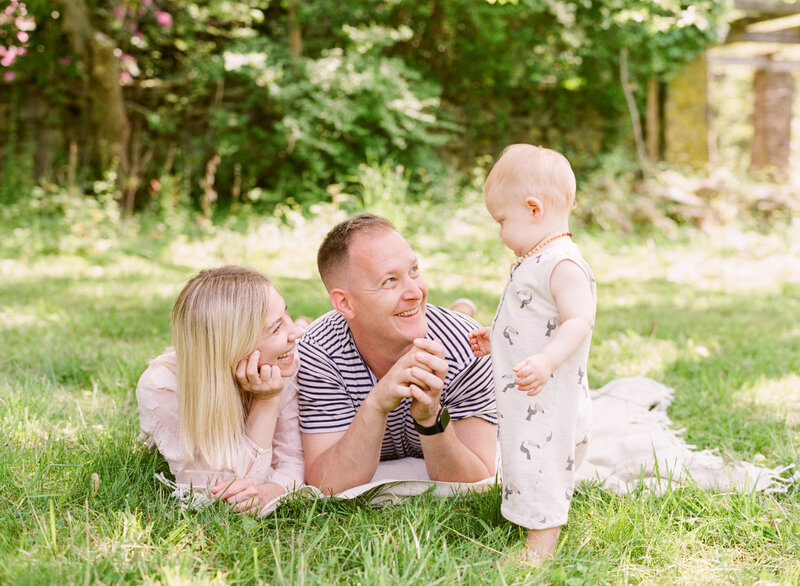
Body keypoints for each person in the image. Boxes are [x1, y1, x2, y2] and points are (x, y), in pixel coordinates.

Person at [296, 214, 498, 495]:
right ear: (345, 303)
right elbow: (327, 484)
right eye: (390, 280)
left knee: (454, 321)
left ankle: (461, 309)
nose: (416, 292)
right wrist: (377, 402)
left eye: (414, 270)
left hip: (454, 335)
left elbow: (478, 481)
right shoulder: (317, 354)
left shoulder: (469, 349)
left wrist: (430, 417)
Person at [468, 144, 596, 563]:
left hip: (549, 395)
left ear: (533, 208)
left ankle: (540, 547)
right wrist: (499, 335)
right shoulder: (537, 258)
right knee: (529, 456)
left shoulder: (563, 263)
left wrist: (545, 361)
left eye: (502, 221)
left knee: (540, 459)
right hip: (529, 396)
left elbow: (578, 321)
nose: (500, 232)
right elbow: (532, 316)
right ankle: (531, 512)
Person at [136, 266, 305, 514]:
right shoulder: (163, 387)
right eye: (276, 328)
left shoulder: (284, 362)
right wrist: (266, 401)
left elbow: (294, 460)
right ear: (236, 344)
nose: (295, 333)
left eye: (287, 315)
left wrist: (276, 489)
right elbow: (217, 490)